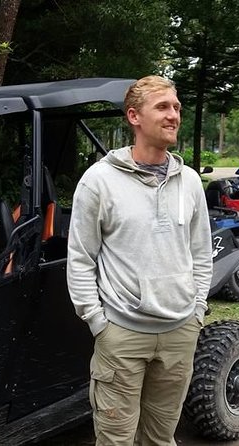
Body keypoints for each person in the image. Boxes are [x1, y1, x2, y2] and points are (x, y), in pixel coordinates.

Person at [66, 75, 213, 446]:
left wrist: (197, 310)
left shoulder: (190, 181)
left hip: (180, 332)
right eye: (163, 107)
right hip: (122, 335)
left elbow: (200, 252)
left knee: (161, 438)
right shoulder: (99, 181)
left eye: (177, 107)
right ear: (134, 116)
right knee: (116, 440)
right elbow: (81, 257)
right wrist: (98, 322)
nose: (174, 115)